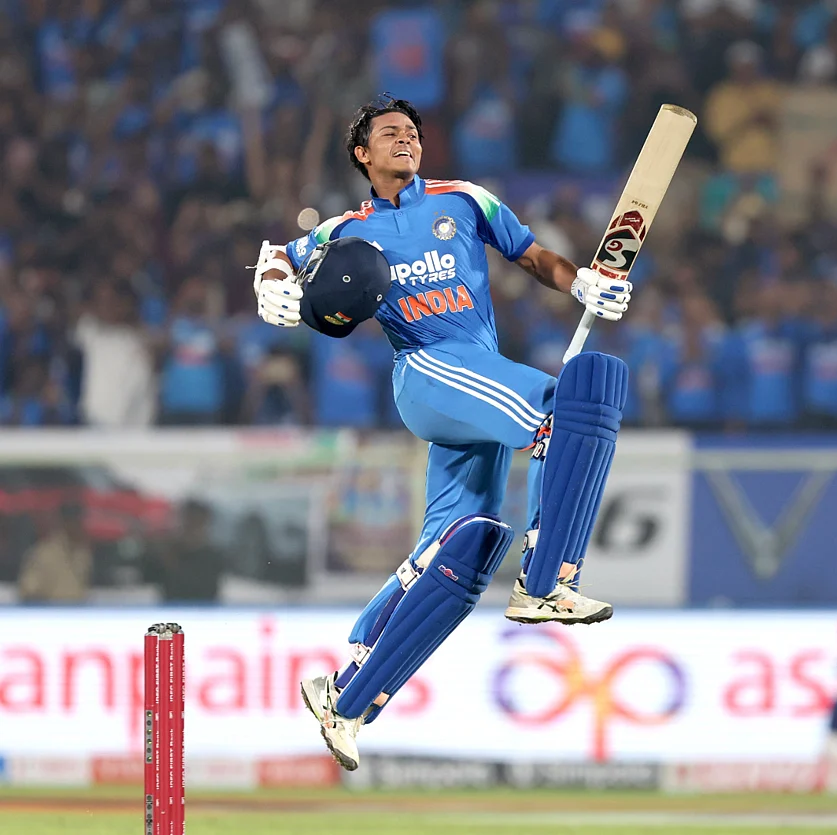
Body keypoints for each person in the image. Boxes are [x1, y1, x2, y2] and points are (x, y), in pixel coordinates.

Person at [252, 97, 633, 771]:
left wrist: (582, 283)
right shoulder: (347, 228)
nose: (405, 139)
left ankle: (347, 694)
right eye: (389, 134)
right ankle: (548, 578)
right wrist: (274, 284)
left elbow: (533, 255)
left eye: (412, 132)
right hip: (426, 370)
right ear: (362, 155)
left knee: (461, 546)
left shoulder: (464, 199)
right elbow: (279, 256)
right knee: (563, 406)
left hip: (475, 377)